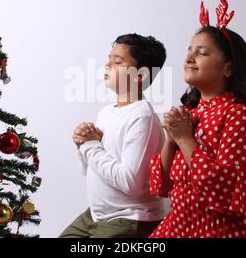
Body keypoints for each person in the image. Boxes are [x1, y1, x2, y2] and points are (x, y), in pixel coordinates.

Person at [150, 0, 246, 238]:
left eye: (202, 52)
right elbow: (160, 187)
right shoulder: (190, 114)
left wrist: (185, 138)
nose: (189, 58)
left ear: (228, 68)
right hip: (180, 225)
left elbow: (224, 189)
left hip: (222, 228)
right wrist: (171, 139)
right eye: (189, 51)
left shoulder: (240, 114)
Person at [60, 33, 167, 238]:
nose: (107, 65)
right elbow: (92, 171)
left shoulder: (142, 116)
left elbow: (129, 183)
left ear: (140, 75)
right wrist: (82, 146)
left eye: (117, 61)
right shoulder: (106, 112)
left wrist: (90, 146)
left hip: (130, 217)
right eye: (109, 58)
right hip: (97, 215)